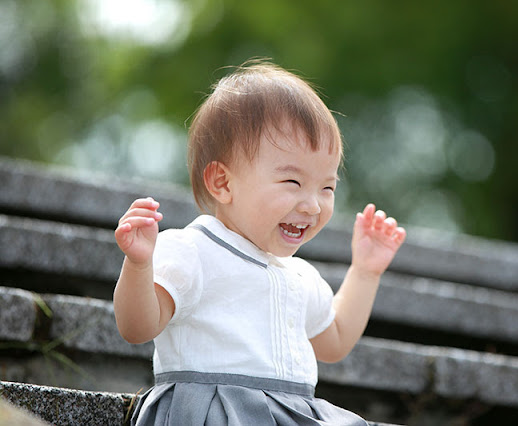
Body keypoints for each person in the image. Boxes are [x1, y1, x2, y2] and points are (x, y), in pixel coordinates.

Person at [113, 61, 406, 425]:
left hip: (290, 412)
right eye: (292, 183)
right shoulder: (194, 251)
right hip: (214, 410)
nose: (313, 204)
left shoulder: (299, 275)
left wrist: (365, 272)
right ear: (223, 182)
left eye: (327, 187)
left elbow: (335, 341)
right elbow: (137, 327)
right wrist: (139, 265)